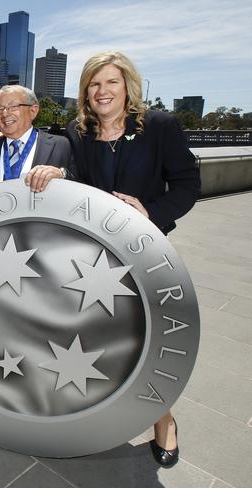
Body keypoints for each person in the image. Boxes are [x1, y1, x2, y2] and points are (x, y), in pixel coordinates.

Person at [66, 50, 200, 467]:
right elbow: (70, 180)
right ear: (85, 93)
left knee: (146, 344)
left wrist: (151, 214)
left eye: (111, 82)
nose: (102, 91)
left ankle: (164, 421)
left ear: (128, 86)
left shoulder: (159, 126)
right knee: (95, 345)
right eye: (94, 83)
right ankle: (100, 417)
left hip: (144, 253)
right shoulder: (77, 133)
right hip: (92, 260)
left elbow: (187, 184)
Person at [0, 85, 74, 193]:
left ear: (33, 111)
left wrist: (62, 174)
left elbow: (79, 185)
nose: (5, 114)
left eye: (13, 107)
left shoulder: (60, 146)